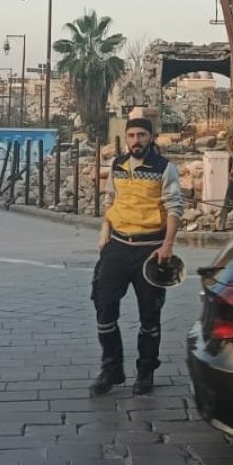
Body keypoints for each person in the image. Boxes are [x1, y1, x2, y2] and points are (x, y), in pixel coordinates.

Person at [91, 117, 183, 396]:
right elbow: (110, 200)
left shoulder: (164, 168)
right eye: (131, 135)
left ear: (151, 137)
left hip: (151, 248)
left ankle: (145, 372)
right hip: (117, 246)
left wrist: (167, 245)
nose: (136, 140)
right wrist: (104, 230)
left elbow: (174, 208)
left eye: (141, 135)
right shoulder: (118, 165)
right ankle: (111, 368)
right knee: (104, 306)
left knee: (150, 314)